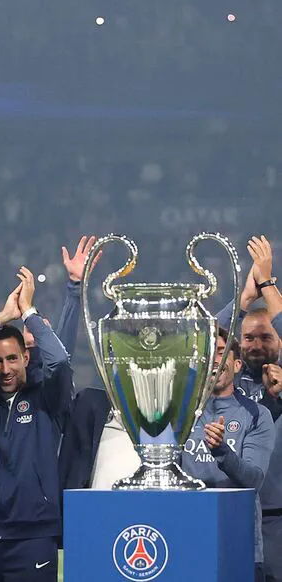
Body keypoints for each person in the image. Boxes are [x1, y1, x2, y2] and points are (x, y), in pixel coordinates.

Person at [0, 267, 73, 582]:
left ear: (26, 356)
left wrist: (28, 314)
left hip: (33, 537)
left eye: (12, 359)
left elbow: (60, 362)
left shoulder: (48, 398)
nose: (4, 369)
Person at [181, 330, 275, 581]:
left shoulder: (256, 415)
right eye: (209, 354)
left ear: (236, 365)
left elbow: (253, 480)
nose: (215, 360)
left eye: (222, 353)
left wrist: (221, 450)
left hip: (237, 541)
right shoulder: (181, 413)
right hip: (187, 538)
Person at [217, 236, 282, 581]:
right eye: (249, 338)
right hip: (232, 506)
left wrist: (269, 284)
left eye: (266, 336)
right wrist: (241, 301)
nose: (256, 344)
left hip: (278, 514)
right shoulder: (228, 382)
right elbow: (208, 343)